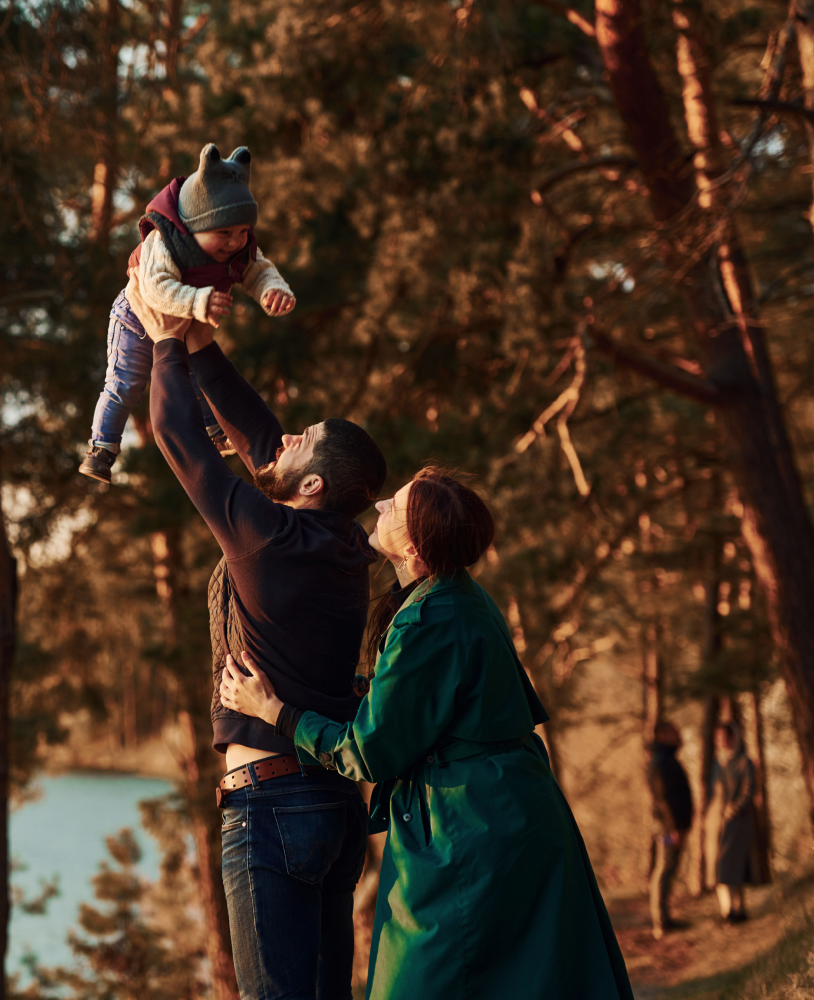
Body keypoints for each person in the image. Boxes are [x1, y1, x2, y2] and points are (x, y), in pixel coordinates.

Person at [220, 467, 635, 1000]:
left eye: (395, 506)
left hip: (470, 828)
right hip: (507, 814)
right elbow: (415, 702)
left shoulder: (429, 618)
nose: (380, 504)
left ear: (413, 547)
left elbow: (366, 754)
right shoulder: (459, 597)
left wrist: (274, 710)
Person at [143, 311, 388, 999]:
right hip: (334, 804)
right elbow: (264, 448)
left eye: (303, 440)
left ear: (313, 487)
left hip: (273, 803)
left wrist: (163, 340)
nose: (285, 437)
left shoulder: (271, 539)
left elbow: (181, 442)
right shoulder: (342, 546)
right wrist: (200, 346)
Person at [80, 143, 295, 483]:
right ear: (195, 225)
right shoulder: (165, 242)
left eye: (242, 232)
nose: (234, 242)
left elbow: (258, 269)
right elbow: (154, 287)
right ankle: (102, 447)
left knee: (198, 377)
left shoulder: (238, 246)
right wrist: (198, 302)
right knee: (126, 384)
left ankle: (214, 431)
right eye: (223, 233)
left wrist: (273, 289)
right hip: (136, 319)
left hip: (184, 324)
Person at [646, 721, 694, 939]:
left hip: (671, 826)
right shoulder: (661, 762)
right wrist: (675, 828)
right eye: (675, 732)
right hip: (667, 828)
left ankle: (664, 918)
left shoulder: (666, 760)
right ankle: (661, 921)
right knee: (664, 869)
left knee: (667, 869)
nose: (679, 735)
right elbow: (665, 798)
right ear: (663, 735)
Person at [711, 721, 762, 923]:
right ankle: (728, 910)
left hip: (737, 822)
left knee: (734, 867)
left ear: (733, 738)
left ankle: (737, 910)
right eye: (718, 737)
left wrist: (735, 809)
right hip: (718, 822)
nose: (721, 741)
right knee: (722, 868)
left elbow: (749, 790)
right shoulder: (718, 763)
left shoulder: (743, 761)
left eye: (724, 737)